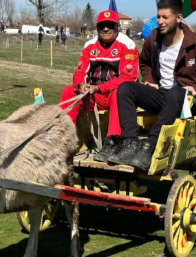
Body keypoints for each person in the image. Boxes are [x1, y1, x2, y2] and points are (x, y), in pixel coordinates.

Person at [108, 0, 196, 170]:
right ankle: (130, 144)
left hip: (188, 102)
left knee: (177, 93)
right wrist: (149, 80)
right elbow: (144, 62)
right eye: (158, 16)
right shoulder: (153, 39)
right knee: (125, 88)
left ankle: (151, 147)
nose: (160, 21)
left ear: (178, 18)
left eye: (165, 17)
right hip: (162, 95)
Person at [59, 10, 139, 162]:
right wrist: (80, 84)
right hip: (94, 96)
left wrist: (100, 88)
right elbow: (79, 72)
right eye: (102, 26)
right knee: (68, 91)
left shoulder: (128, 45)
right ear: (97, 28)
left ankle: (112, 141)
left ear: (117, 27)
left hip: (116, 96)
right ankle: (64, 137)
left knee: (120, 92)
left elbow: (129, 77)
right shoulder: (89, 45)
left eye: (110, 25)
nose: (106, 29)